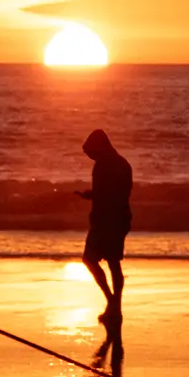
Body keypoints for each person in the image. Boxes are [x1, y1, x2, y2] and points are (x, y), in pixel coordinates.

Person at [80, 129, 134, 325]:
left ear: (101, 146)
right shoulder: (123, 164)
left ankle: (112, 302)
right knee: (113, 263)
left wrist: (95, 198)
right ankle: (115, 307)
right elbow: (118, 193)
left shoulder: (104, 166)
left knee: (90, 259)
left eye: (92, 152)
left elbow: (110, 195)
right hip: (120, 219)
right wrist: (93, 195)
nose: (91, 156)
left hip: (108, 221)